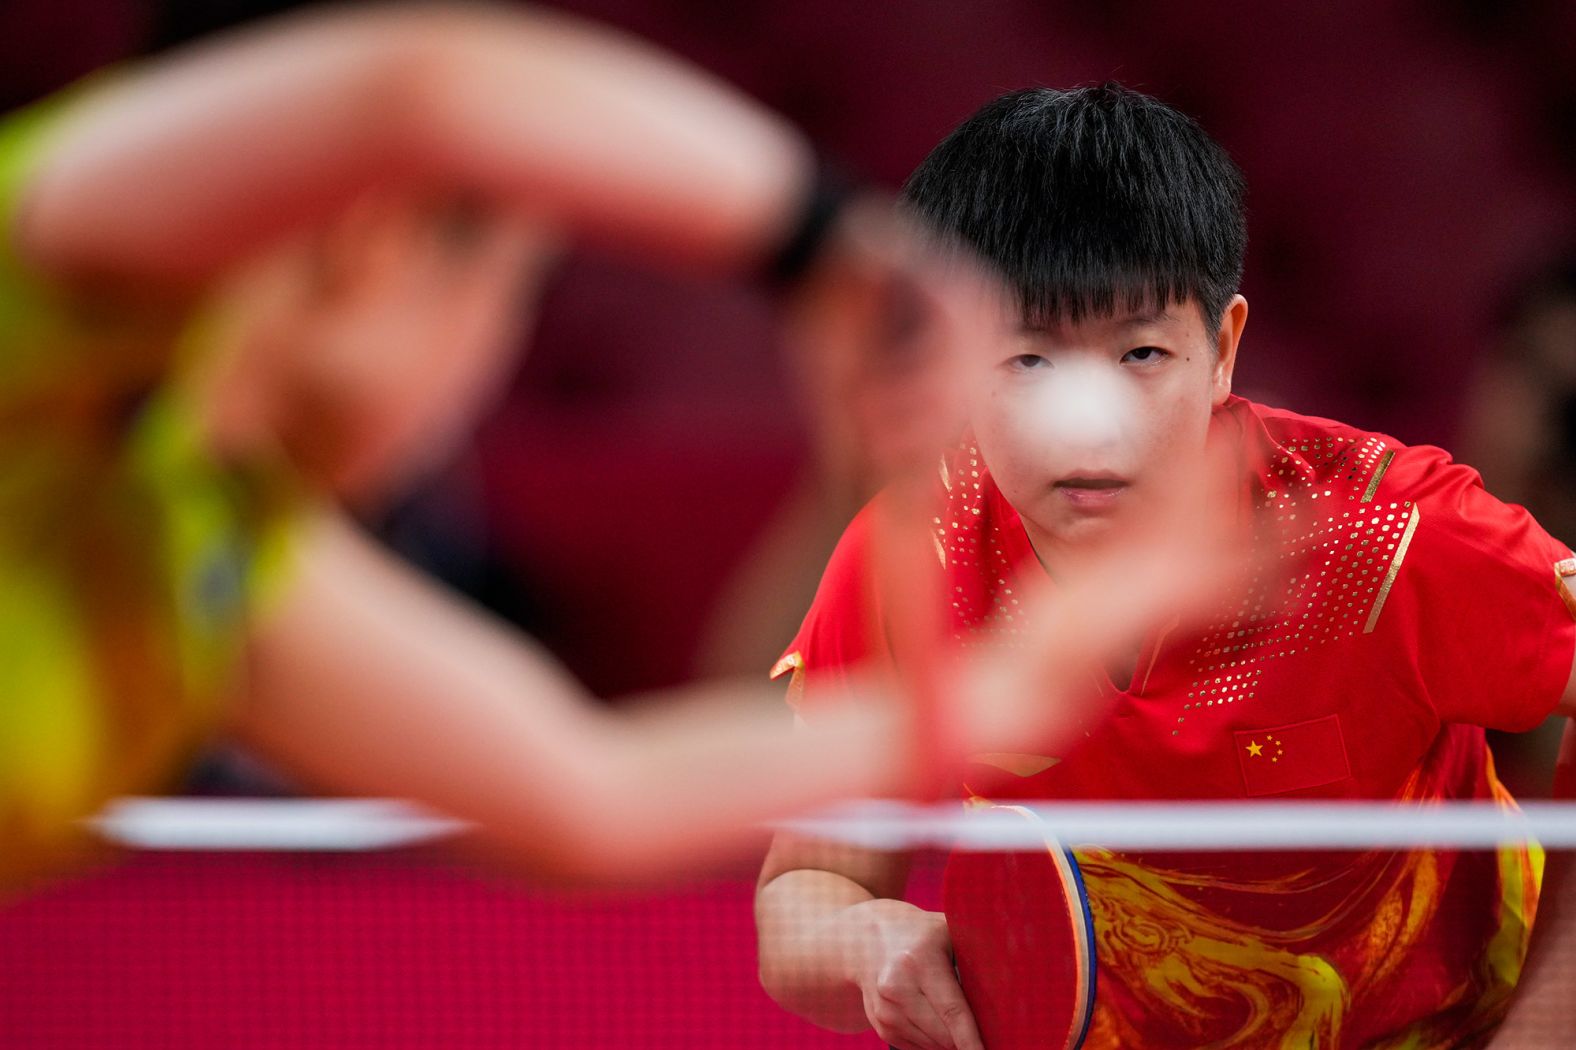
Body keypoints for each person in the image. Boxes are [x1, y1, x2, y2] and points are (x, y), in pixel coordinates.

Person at [0, 4, 1183, 894]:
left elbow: (602, 795)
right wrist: (825, 242)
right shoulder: (41, 285)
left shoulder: (198, 556)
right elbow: (425, 83)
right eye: (514, 292)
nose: (488, 367)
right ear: (375, 234)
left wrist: (1029, 679)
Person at [754, 84, 1576, 1050]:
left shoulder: (1383, 536)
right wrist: (864, 944)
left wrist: (1545, 1024)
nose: (1092, 425)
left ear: (1222, 349)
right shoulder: (914, 559)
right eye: (1028, 361)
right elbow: (807, 892)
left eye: (1141, 352)